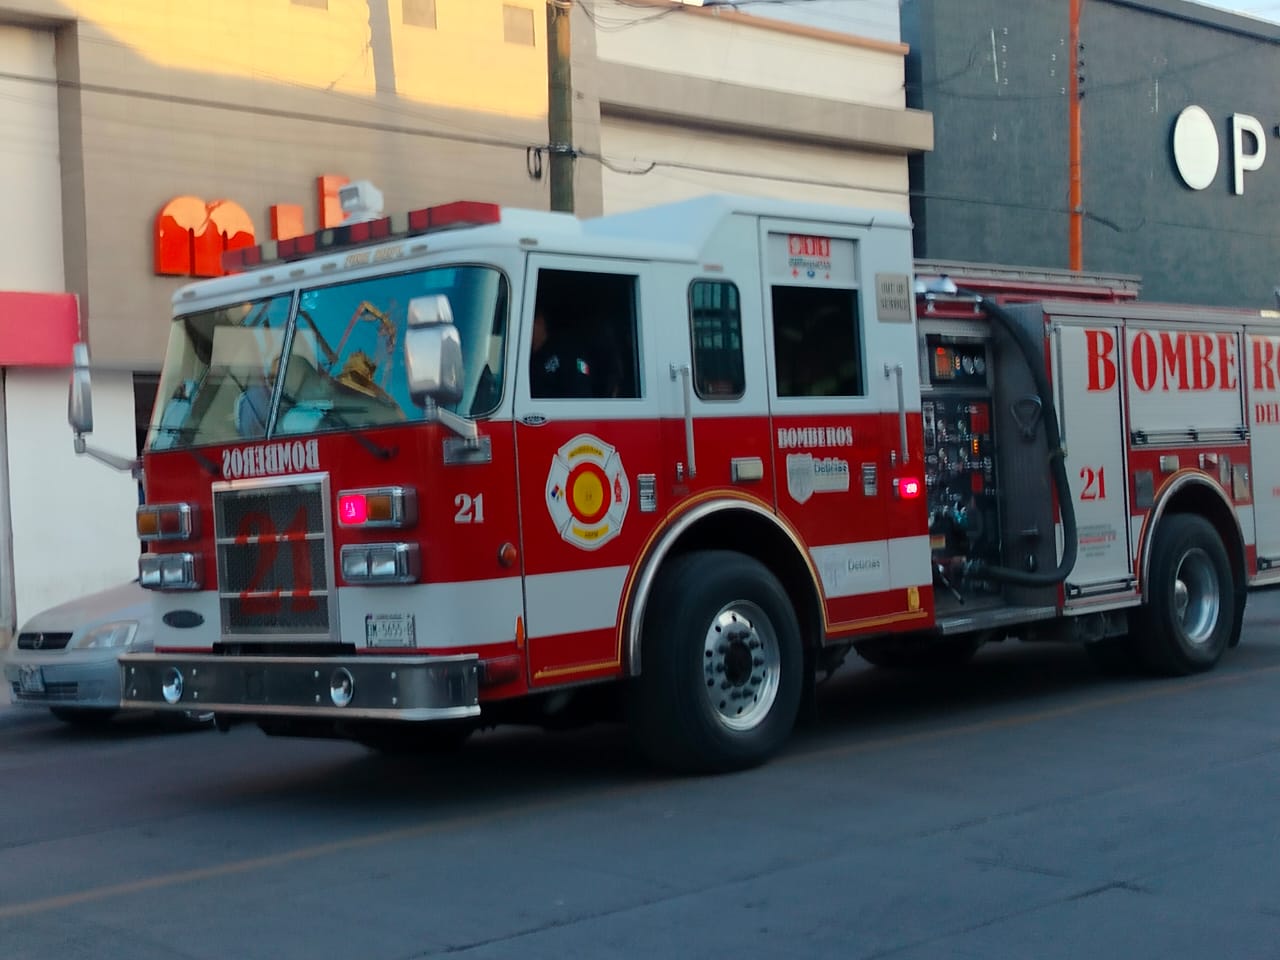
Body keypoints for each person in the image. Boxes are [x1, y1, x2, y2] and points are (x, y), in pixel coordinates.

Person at [529, 305, 593, 398]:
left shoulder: (566, 351)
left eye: (530, 324)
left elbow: (580, 392)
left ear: (540, 322)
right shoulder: (527, 357)